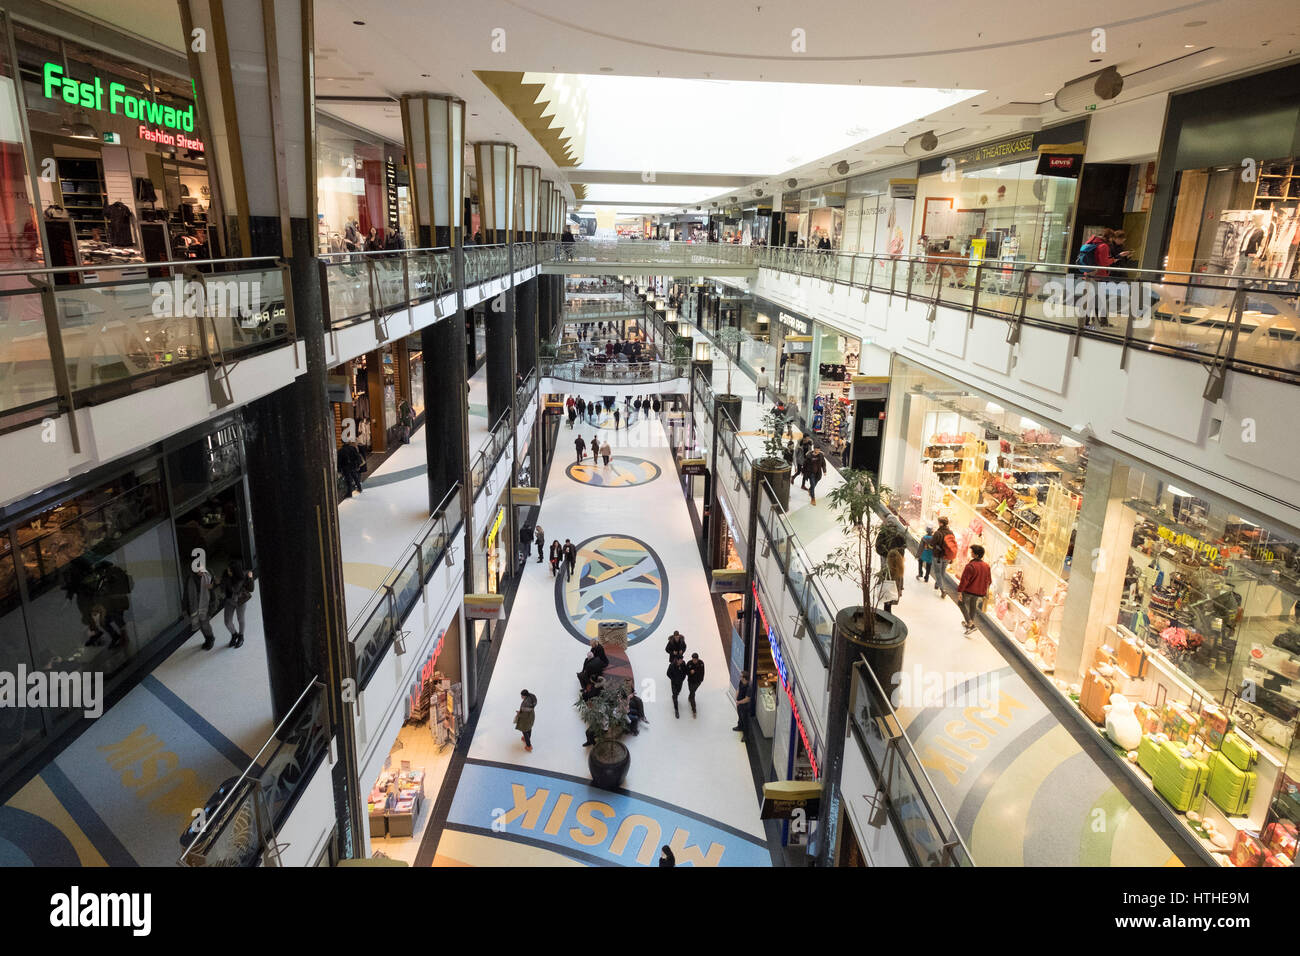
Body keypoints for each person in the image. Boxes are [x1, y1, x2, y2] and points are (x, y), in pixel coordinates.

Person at [957, 544, 992, 634]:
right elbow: (989, 581)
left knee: (961, 603)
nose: (970, 553)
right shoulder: (987, 566)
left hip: (969, 590)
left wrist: (960, 591)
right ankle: (970, 624)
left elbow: (964, 580)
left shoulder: (970, 566)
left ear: (976, 555)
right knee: (973, 606)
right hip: (979, 592)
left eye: (972, 552)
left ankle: (970, 623)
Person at [220, 559, 254, 648]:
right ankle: (234, 634)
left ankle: (241, 637)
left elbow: (251, 589)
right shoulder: (226, 576)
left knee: (241, 619)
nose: (228, 571)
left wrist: (250, 578)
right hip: (230, 601)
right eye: (228, 569)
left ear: (235, 571)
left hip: (240, 601)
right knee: (227, 622)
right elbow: (222, 587)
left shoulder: (243, 577)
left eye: (230, 570)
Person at [185, 566, 218, 650]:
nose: (202, 571)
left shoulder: (208, 573)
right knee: (200, 624)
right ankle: (207, 638)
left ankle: (210, 638)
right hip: (196, 606)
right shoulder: (191, 580)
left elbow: (216, 585)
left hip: (208, 604)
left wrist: (212, 585)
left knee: (204, 623)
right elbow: (187, 594)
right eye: (199, 570)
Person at [931, 517, 957, 595]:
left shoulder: (938, 533)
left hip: (938, 556)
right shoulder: (951, 532)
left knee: (938, 572)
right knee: (942, 572)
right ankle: (937, 585)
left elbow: (932, 544)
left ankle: (943, 590)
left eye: (938, 522)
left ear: (941, 523)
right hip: (947, 556)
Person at [883, 545, 906, 614]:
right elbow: (901, 580)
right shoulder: (900, 568)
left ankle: (887, 617)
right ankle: (888, 614)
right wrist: (901, 589)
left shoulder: (887, 570)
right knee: (888, 607)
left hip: (888, 592)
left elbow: (881, 580)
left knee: (887, 607)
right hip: (895, 591)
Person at [666, 654, 687, 718]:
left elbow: (685, 672)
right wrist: (673, 679)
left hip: (680, 682)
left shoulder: (683, 664)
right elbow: (668, 673)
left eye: (682, 660)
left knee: (678, 692)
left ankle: (675, 696)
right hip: (674, 683)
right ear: (677, 660)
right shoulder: (672, 665)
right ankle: (676, 710)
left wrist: (682, 679)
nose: (681, 661)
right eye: (680, 660)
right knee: (675, 695)